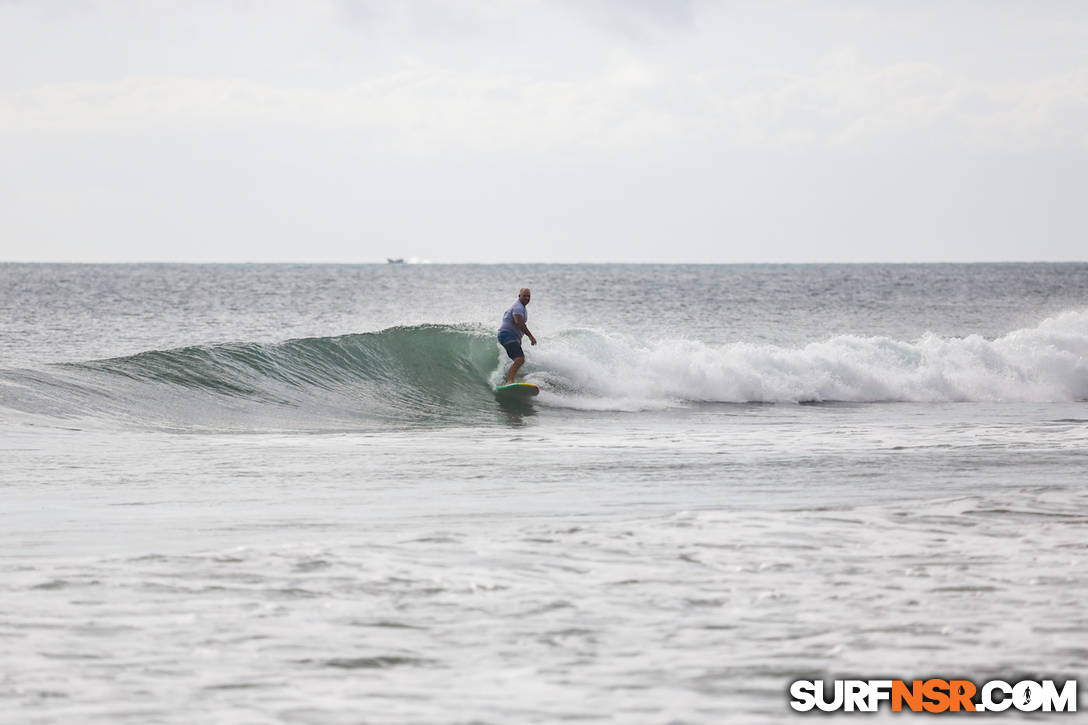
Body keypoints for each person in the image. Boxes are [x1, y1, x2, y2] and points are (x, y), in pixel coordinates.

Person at [497, 288, 537, 384]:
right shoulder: (518, 307)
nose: (527, 298)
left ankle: (505, 379)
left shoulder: (521, 308)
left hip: (508, 336)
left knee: (517, 360)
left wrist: (518, 339)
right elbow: (518, 322)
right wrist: (530, 336)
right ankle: (509, 380)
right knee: (520, 359)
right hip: (507, 335)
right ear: (519, 296)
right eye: (524, 296)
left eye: (528, 296)